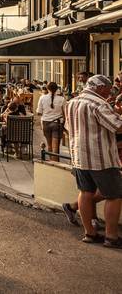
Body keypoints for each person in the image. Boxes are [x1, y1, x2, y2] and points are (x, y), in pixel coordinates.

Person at [65, 74, 122, 248]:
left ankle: (89, 233)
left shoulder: (72, 103)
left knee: (86, 192)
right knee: (114, 195)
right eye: (108, 88)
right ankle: (111, 237)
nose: (110, 92)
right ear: (100, 88)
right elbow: (117, 126)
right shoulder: (98, 104)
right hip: (101, 158)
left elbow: (68, 128)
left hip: (79, 157)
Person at [36, 82, 65, 162]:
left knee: (49, 145)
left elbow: (39, 112)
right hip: (57, 123)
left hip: (46, 123)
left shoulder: (42, 98)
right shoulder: (62, 99)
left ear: (47, 89)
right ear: (57, 89)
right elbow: (64, 113)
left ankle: (51, 163)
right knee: (56, 147)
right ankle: (55, 163)